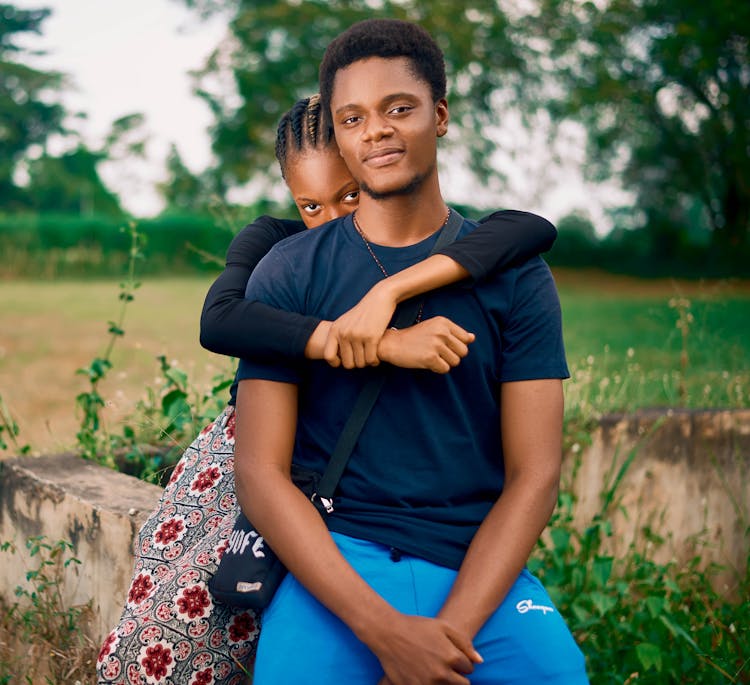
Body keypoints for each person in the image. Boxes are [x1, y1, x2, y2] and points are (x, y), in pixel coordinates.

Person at [96, 93, 558, 684]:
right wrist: (381, 343)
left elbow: (530, 228)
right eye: (310, 205)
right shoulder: (283, 248)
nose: (333, 219)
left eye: (348, 195)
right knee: (175, 636)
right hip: (258, 450)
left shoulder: (430, 245)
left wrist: (389, 292)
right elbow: (220, 320)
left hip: (357, 475)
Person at [233, 19, 589, 685]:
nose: (377, 131)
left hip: (474, 563)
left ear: (441, 115)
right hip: (335, 564)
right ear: (337, 134)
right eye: (353, 117)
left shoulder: (516, 276)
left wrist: (443, 639)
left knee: (559, 673)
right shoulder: (287, 273)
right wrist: (385, 632)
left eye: (399, 108)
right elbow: (258, 471)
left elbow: (535, 474)